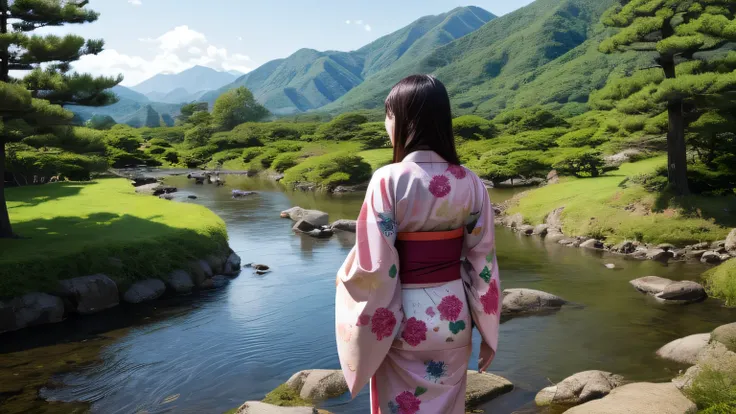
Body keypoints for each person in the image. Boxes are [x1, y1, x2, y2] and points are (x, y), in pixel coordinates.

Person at [335, 74, 501, 414]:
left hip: (403, 321)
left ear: (404, 121)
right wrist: (488, 331)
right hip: (454, 319)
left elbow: (375, 267)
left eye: (389, 115)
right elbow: (482, 262)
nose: (386, 124)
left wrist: (344, 280)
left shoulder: (388, 179)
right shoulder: (471, 183)